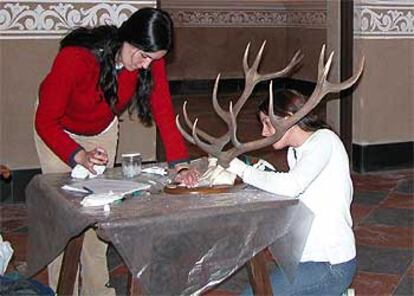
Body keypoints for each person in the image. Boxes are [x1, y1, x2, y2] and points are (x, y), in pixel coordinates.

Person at [34, 7, 191, 295]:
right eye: (143, 56)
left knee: (99, 214)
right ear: (128, 38)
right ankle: (62, 288)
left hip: (101, 129)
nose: (146, 65)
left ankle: (98, 291)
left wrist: (180, 164)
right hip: (59, 130)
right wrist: (77, 155)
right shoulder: (76, 59)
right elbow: (45, 121)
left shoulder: (149, 59)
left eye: (153, 60)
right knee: (64, 215)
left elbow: (164, 113)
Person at [224, 89, 357, 295]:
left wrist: (241, 169)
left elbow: (291, 185)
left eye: (268, 123)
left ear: (288, 119)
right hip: (309, 260)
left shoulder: (324, 140)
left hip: (330, 265)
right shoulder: (296, 152)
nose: (264, 133)